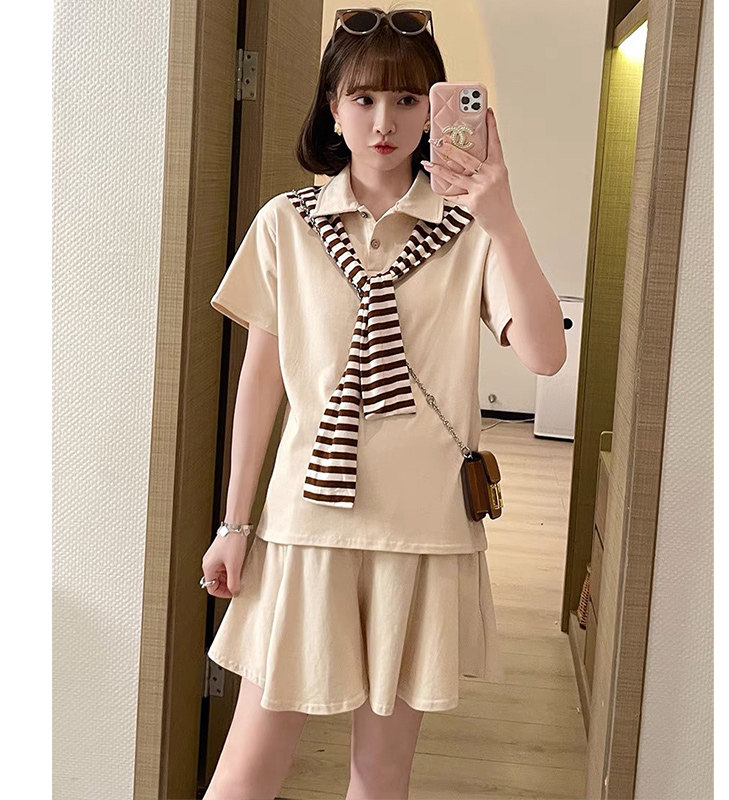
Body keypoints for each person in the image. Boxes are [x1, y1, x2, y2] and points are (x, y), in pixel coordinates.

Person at [199, 7, 565, 800]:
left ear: (436, 110)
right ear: (332, 107)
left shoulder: (470, 230)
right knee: (247, 770)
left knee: (380, 775)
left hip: (422, 534)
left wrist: (502, 216)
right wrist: (235, 524)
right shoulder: (286, 226)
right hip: (307, 526)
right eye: (363, 99)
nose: (384, 121)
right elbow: (261, 382)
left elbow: (545, 355)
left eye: (407, 99)